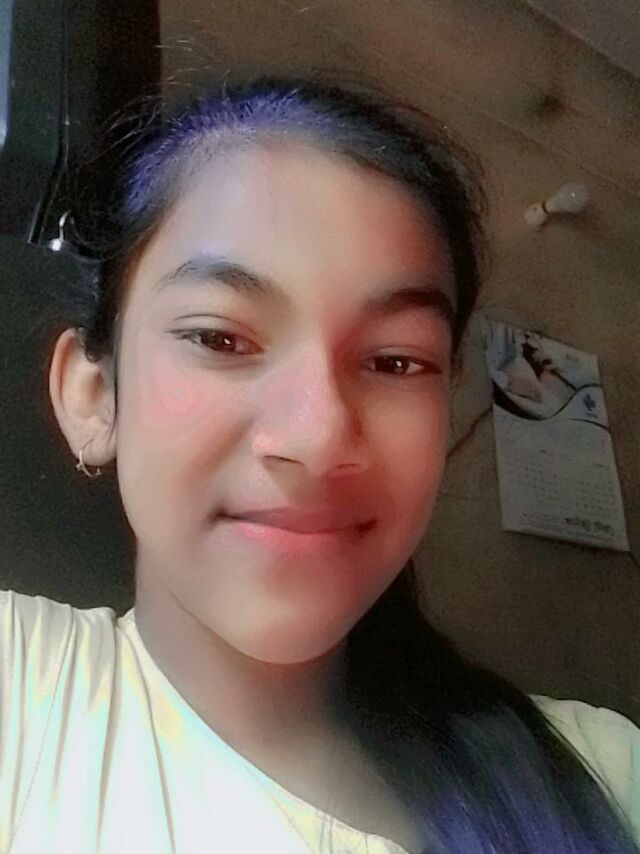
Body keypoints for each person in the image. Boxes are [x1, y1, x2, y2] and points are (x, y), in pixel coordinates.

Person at [1, 73, 638, 854]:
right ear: (95, 395)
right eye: (220, 338)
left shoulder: (605, 773)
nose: (318, 435)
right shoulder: (22, 692)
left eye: (397, 362)